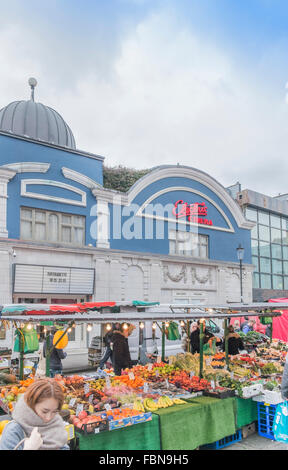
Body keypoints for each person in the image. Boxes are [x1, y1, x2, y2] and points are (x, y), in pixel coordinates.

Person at [0, 378, 69, 450]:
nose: (49, 418)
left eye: (54, 412)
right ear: (31, 406)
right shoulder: (14, 431)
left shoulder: (54, 425)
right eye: (44, 411)